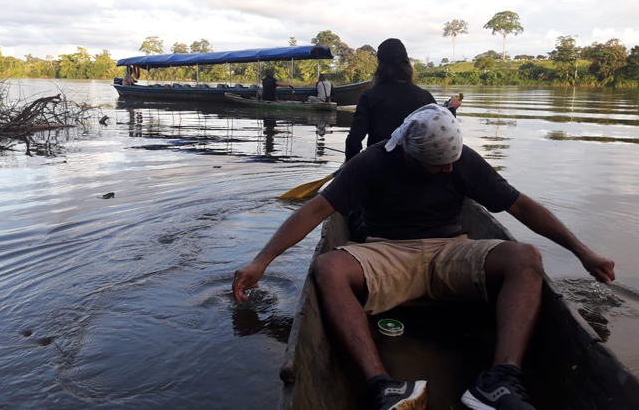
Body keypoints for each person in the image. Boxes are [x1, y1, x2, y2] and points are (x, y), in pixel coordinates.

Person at [232, 104, 615, 410]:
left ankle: (500, 380)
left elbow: (522, 206)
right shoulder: (371, 163)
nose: (449, 168)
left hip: (451, 250)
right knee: (328, 267)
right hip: (386, 251)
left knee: (525, 257)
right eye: (439, 164)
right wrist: (261, 261)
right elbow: (316, 210)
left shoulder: (462, 160)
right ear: (410, 155)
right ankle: (381, 386)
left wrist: (583, 252)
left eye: (452, 160)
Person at [345, 38, 460, 162]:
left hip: (379, 166)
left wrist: (351, 165)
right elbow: (441, 133)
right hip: (414, 167)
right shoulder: (424, 97)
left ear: (380, 66)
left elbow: (353, 142)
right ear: (407, 63)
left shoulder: (368, 97)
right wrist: (451, 109)